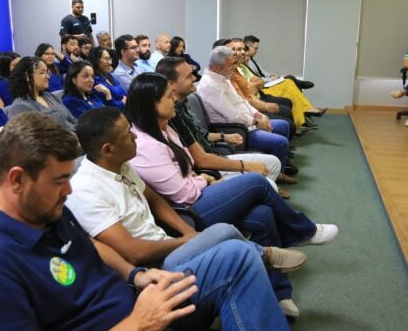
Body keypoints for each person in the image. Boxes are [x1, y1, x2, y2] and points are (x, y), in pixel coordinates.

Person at [0, 111, 302, 331]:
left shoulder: (42, 210)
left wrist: (135, 276)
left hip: (139, 315)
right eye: (59, 181)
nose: (68, 191)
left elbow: (88, 244)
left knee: (235, 257)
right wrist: (137, 326)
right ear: (17, 180)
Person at [125, 73, 339, 316]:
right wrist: (204, 180)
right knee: (258, 183)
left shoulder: (164, 129)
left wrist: (202, 179)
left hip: (198, 195)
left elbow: (188, 172)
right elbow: (183, 194)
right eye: (168, 96)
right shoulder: (145, 145)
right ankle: (303, 230)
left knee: (263, 214)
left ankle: (279, 293)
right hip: (188, 211)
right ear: (151, 104)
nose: (174, 98)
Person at [156, 57, 295, 195]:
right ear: (172, 84)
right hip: (209, 166)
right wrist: (246, 166)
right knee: (267, 183)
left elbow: (202, 133)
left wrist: (225, 136)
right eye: (189, 76)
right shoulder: (172, 114)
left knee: (274, 164)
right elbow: (201, 159)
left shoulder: (184, 101)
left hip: (216, 151)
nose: (194, 78)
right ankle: (264, 196)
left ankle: (262, 196)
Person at [197, 46, 297, 175]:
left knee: (283, 125)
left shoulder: (222, 78)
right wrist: (255, 122)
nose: (234, 67)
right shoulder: (210, 86)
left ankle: (281, 168)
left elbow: (242, 101)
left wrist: (258, 114)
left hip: (248, 123)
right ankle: (277, 177)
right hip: (237, 130)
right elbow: (232, 116)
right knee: (281, 142)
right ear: (217, 67)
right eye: (231, 64)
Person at [8, 56, 77, 131]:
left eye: (47, 72)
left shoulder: (50, 96)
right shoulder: (20, 107)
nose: (48, 76)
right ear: (27, 76)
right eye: (42, 72)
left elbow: (73, 119)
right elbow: (31, 139)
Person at [244, 35, 315, 91]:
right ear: (248, 46)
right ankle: (301, 84)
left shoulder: (251, 60)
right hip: (263, 86)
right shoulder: (246, 62)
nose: (256, 51)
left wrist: (272, 75)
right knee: (290, 79)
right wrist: (272, 79)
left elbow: (263, 72)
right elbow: (257, 78)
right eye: (255, 48)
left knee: (291, 80)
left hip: (267, 82)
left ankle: (306, 106)